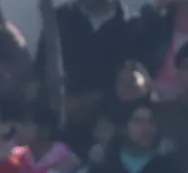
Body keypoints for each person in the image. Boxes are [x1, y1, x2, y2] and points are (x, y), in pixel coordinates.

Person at [49, 0, 136, 131]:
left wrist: (97, 100)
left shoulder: (130, 25)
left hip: (108, 120)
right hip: (62, 115)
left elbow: (131, 76)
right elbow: (43, 67)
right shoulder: (61, 18)